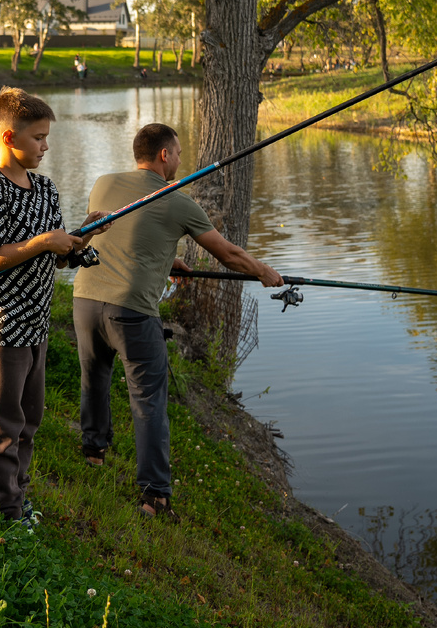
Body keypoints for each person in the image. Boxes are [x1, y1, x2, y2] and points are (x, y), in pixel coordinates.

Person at [72, 123, 283, 519]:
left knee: (94, 377)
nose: (182, 160)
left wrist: (168, 259)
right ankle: (155, 496)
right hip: (131, 310)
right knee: (149, 400)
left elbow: (117, 236)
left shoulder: (103, 183)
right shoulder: (178, 201)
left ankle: (93, 452)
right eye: (179, 153)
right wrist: (263, 271)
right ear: (164, 155)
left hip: (85, 299)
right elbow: (228, 255)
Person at [0, 86, 107, 528]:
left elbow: (53, 252)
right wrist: (45, 241)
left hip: (37, 323)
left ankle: (17, 495)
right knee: (4, 425)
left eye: (48, 137)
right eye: (39, 138)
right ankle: (5, 513)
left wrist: (72, 249)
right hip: (2, 324)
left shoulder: (45, 188)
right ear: (9, 138)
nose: (46, 146)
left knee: (29, 421)